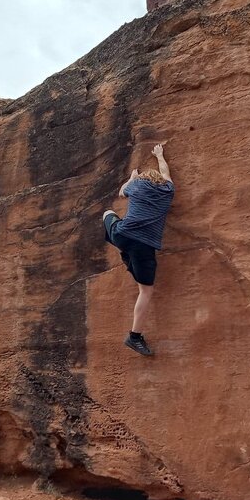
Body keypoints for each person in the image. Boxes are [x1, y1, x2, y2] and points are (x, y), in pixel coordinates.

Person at [103, 143, 174, 356]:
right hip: (145, 245)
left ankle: (126, 254)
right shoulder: (168, 190)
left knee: (107, 213)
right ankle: (134, 337)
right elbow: (165, 172)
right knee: (146, 291)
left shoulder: (137, 186)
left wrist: (132, 178)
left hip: (122, 235)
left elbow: (122, 192)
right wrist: (160, 155)